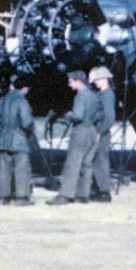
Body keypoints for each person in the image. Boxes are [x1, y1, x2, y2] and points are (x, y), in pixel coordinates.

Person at [47, 70, 102, 205]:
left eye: (71, 82)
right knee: (87, 164)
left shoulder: (80, 96)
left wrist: (65, 114)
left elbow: (77, 116)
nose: (69, 85)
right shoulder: (94, 96)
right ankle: (83, 195)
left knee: (72, 163)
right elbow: (100, 114)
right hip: (92, 131)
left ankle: (65, 195)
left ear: (78, 81)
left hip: (81, 131)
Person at [0, 74, 35, 206]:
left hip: (4, 138)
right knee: (21, 168)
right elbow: (26, 122)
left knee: (4, 168)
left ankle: (3, 197)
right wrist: (28, 131)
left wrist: (1, 133)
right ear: (25, 88)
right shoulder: (22, 100)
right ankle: (21, 197)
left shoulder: (3, 100)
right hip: (19, 138)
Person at [88, 65, 116, 202]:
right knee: (97, 160)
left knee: (101, 161)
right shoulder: (103, 94)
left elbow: (110, 117)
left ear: (105, 79)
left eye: (98, 79)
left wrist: (99, 132)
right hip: (99, 130)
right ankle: (98, 189)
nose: (95, 82)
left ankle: (104, 192)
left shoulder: (107, 95)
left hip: (101, 131)